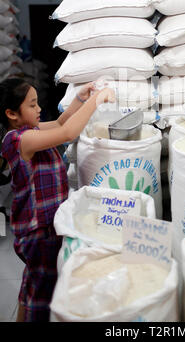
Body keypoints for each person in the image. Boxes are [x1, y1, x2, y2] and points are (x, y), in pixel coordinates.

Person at [0, 77, 115, 322]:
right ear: (12, 113)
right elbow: (67, 132)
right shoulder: (18, 140)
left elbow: (62, 121)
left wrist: (80, 98)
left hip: (44, 225)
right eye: (32, 105)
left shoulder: (29, 131)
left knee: (33, 284)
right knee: (41, 292)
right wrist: (97, 99)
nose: (39, 109)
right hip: (37, 229)